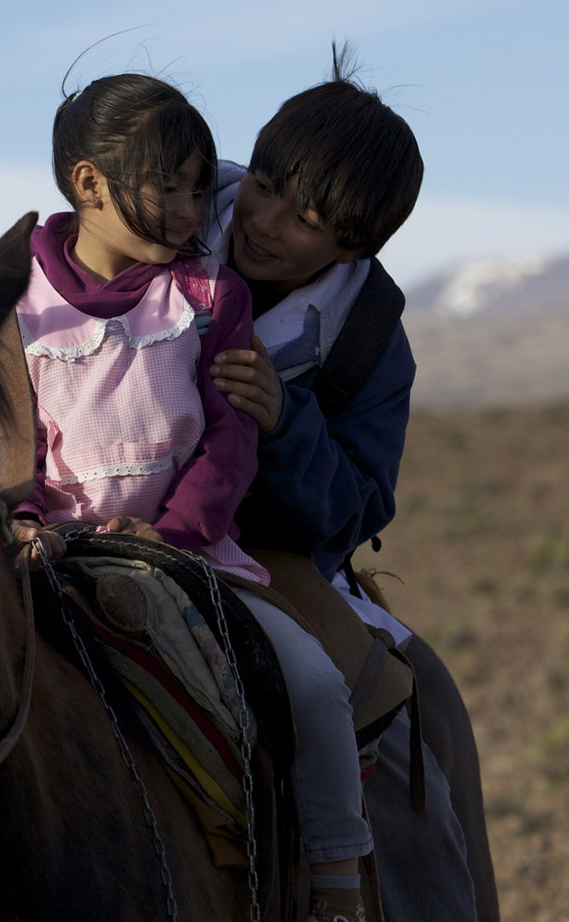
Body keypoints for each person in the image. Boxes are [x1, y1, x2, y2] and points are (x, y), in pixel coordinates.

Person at [7, 72, 372, 922]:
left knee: (316, 683)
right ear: (88, 182)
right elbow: (4, 436)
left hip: (188, 555)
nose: (187, 210)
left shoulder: (210, 296)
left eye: (198, 188)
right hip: (45, 554)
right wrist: (24, 520)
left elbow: (228, 436)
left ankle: (337, 885)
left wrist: (179, 532)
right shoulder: (12, 302)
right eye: (163, 186)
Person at [203, 46, 495, 921]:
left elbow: (357, 509)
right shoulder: (166, 207)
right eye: (263, 182)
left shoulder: (369, 340)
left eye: (307, 218)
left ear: (352, 245)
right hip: (77, 511)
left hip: (262, 556)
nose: (263, 220)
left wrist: (284, 428)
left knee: (409, 705)